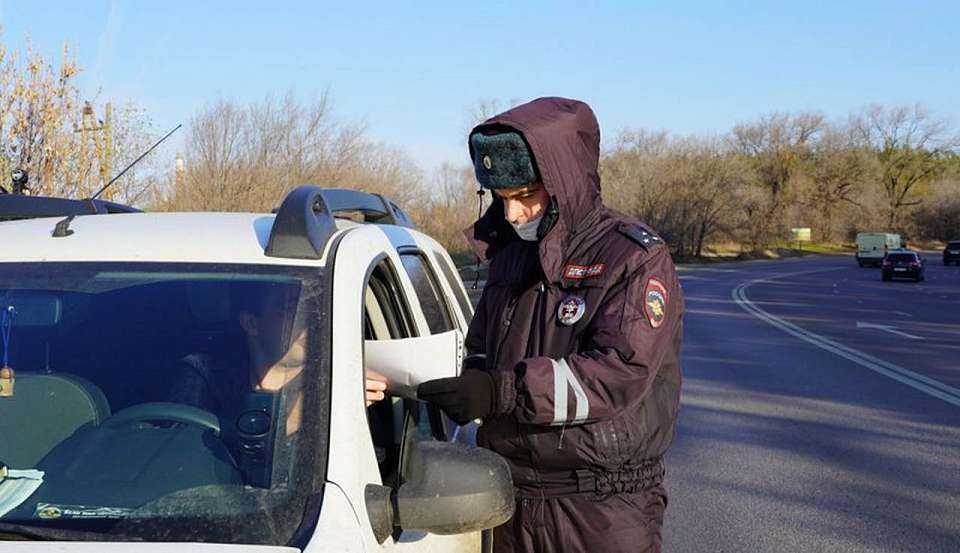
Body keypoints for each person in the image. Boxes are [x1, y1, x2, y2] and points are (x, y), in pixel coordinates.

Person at [418, 97, 684, 553]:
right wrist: (458, 383)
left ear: (564, 183)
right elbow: (482, 345)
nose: (513, 214)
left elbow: (618, 372)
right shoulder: (510, 254)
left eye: (525, 196)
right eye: (502, 199)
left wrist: (500, 392)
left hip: (602, 507)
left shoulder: (633, 257)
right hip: (510, 501)